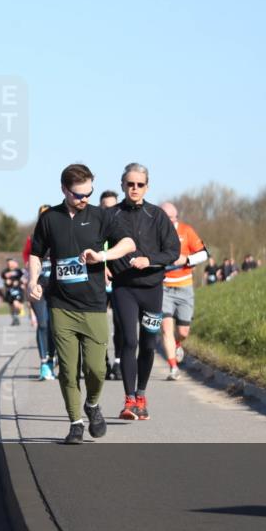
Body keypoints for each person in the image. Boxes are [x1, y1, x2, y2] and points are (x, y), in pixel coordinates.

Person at [28, 164, 135, 444]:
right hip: (61, 304)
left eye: (89, 192)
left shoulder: (101, 216)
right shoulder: (49, 218)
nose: (84, 198)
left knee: (96, 369)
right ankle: (75, 422)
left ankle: (93, 404)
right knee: (68, 368)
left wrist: (103, 256)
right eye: (78, 194)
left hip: (94, 304)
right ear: (64, 189)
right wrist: (32, 281)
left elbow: (128, 244)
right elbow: (36, 254)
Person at [108, 163, 181, 421]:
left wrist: (149, 260)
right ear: (123, 186)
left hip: (152, 289)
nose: (135, 188)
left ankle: (141, 395)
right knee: (130, 340)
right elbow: (97, 245)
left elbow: (173, 251)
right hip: (124, 288)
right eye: (130, 184)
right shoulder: (111, 215)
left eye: (140, 184)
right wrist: (107, 264)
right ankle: (128, 400)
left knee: (149, 343)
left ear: (147, 187)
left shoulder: (157, 215)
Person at [159, 203, 208, 380]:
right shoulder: (154, 233)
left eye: (173, 218)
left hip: (184, 286)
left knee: (183, 331)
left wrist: (185, 259)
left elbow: (204, 254)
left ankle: (178, 343)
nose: (171, 222)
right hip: (163, 287)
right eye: (167, 219)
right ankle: (173, 367)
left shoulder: (186, 231)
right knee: (166, 328)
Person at [23, 205, 57, 380]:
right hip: (39, 285)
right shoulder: (33, 238)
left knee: (54, 326)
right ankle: (44, 363)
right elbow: (27, 259)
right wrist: (30, 279)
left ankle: (52, 359)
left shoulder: (61, 233)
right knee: (43, 324)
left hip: (57, 287)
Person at [99, 190, 122, 381]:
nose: (109, 211)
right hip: (98, 281)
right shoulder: (94, 227)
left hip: (118, 280)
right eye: (105, 208)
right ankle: (103, 362)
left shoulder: (122, 226)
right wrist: (101, 267)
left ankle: (119, 362)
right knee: (100, 326)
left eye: (113, 207)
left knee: (120, 324)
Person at [1, 258, 25, 327]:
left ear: (14, 263)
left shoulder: (19, 271)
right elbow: (3, 279)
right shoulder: (5, 272)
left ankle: (21, 309)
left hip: (18, 290)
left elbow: (23, 278)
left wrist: (18, 282)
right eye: (8, 263)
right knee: (11, 307)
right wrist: (6, 282)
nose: (10, 265)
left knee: (16, 304)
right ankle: (15, 319)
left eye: (11, 263)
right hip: (9, 291)